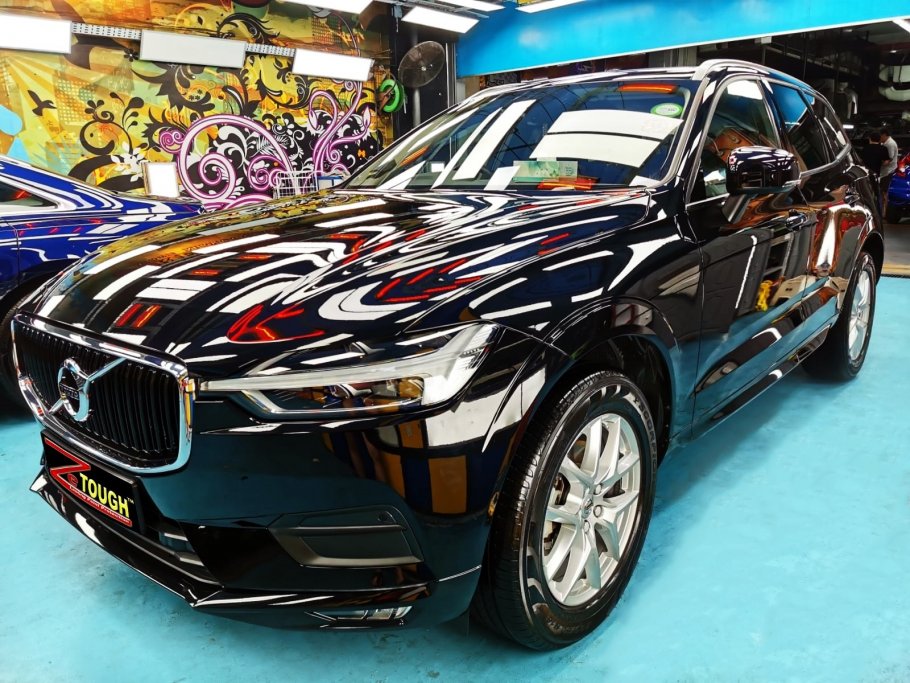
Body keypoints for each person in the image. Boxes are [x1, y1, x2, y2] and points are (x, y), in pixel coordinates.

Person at [880, 128, 900, 208]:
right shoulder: (886, 143)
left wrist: (880, 163)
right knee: (883, 190)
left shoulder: (890, 144)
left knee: (884, 191)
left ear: (884, 135)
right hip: (886, 170)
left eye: (881, 136)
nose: (880, 138)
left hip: (888, 170)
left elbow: (890, 158)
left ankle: (884, 209)